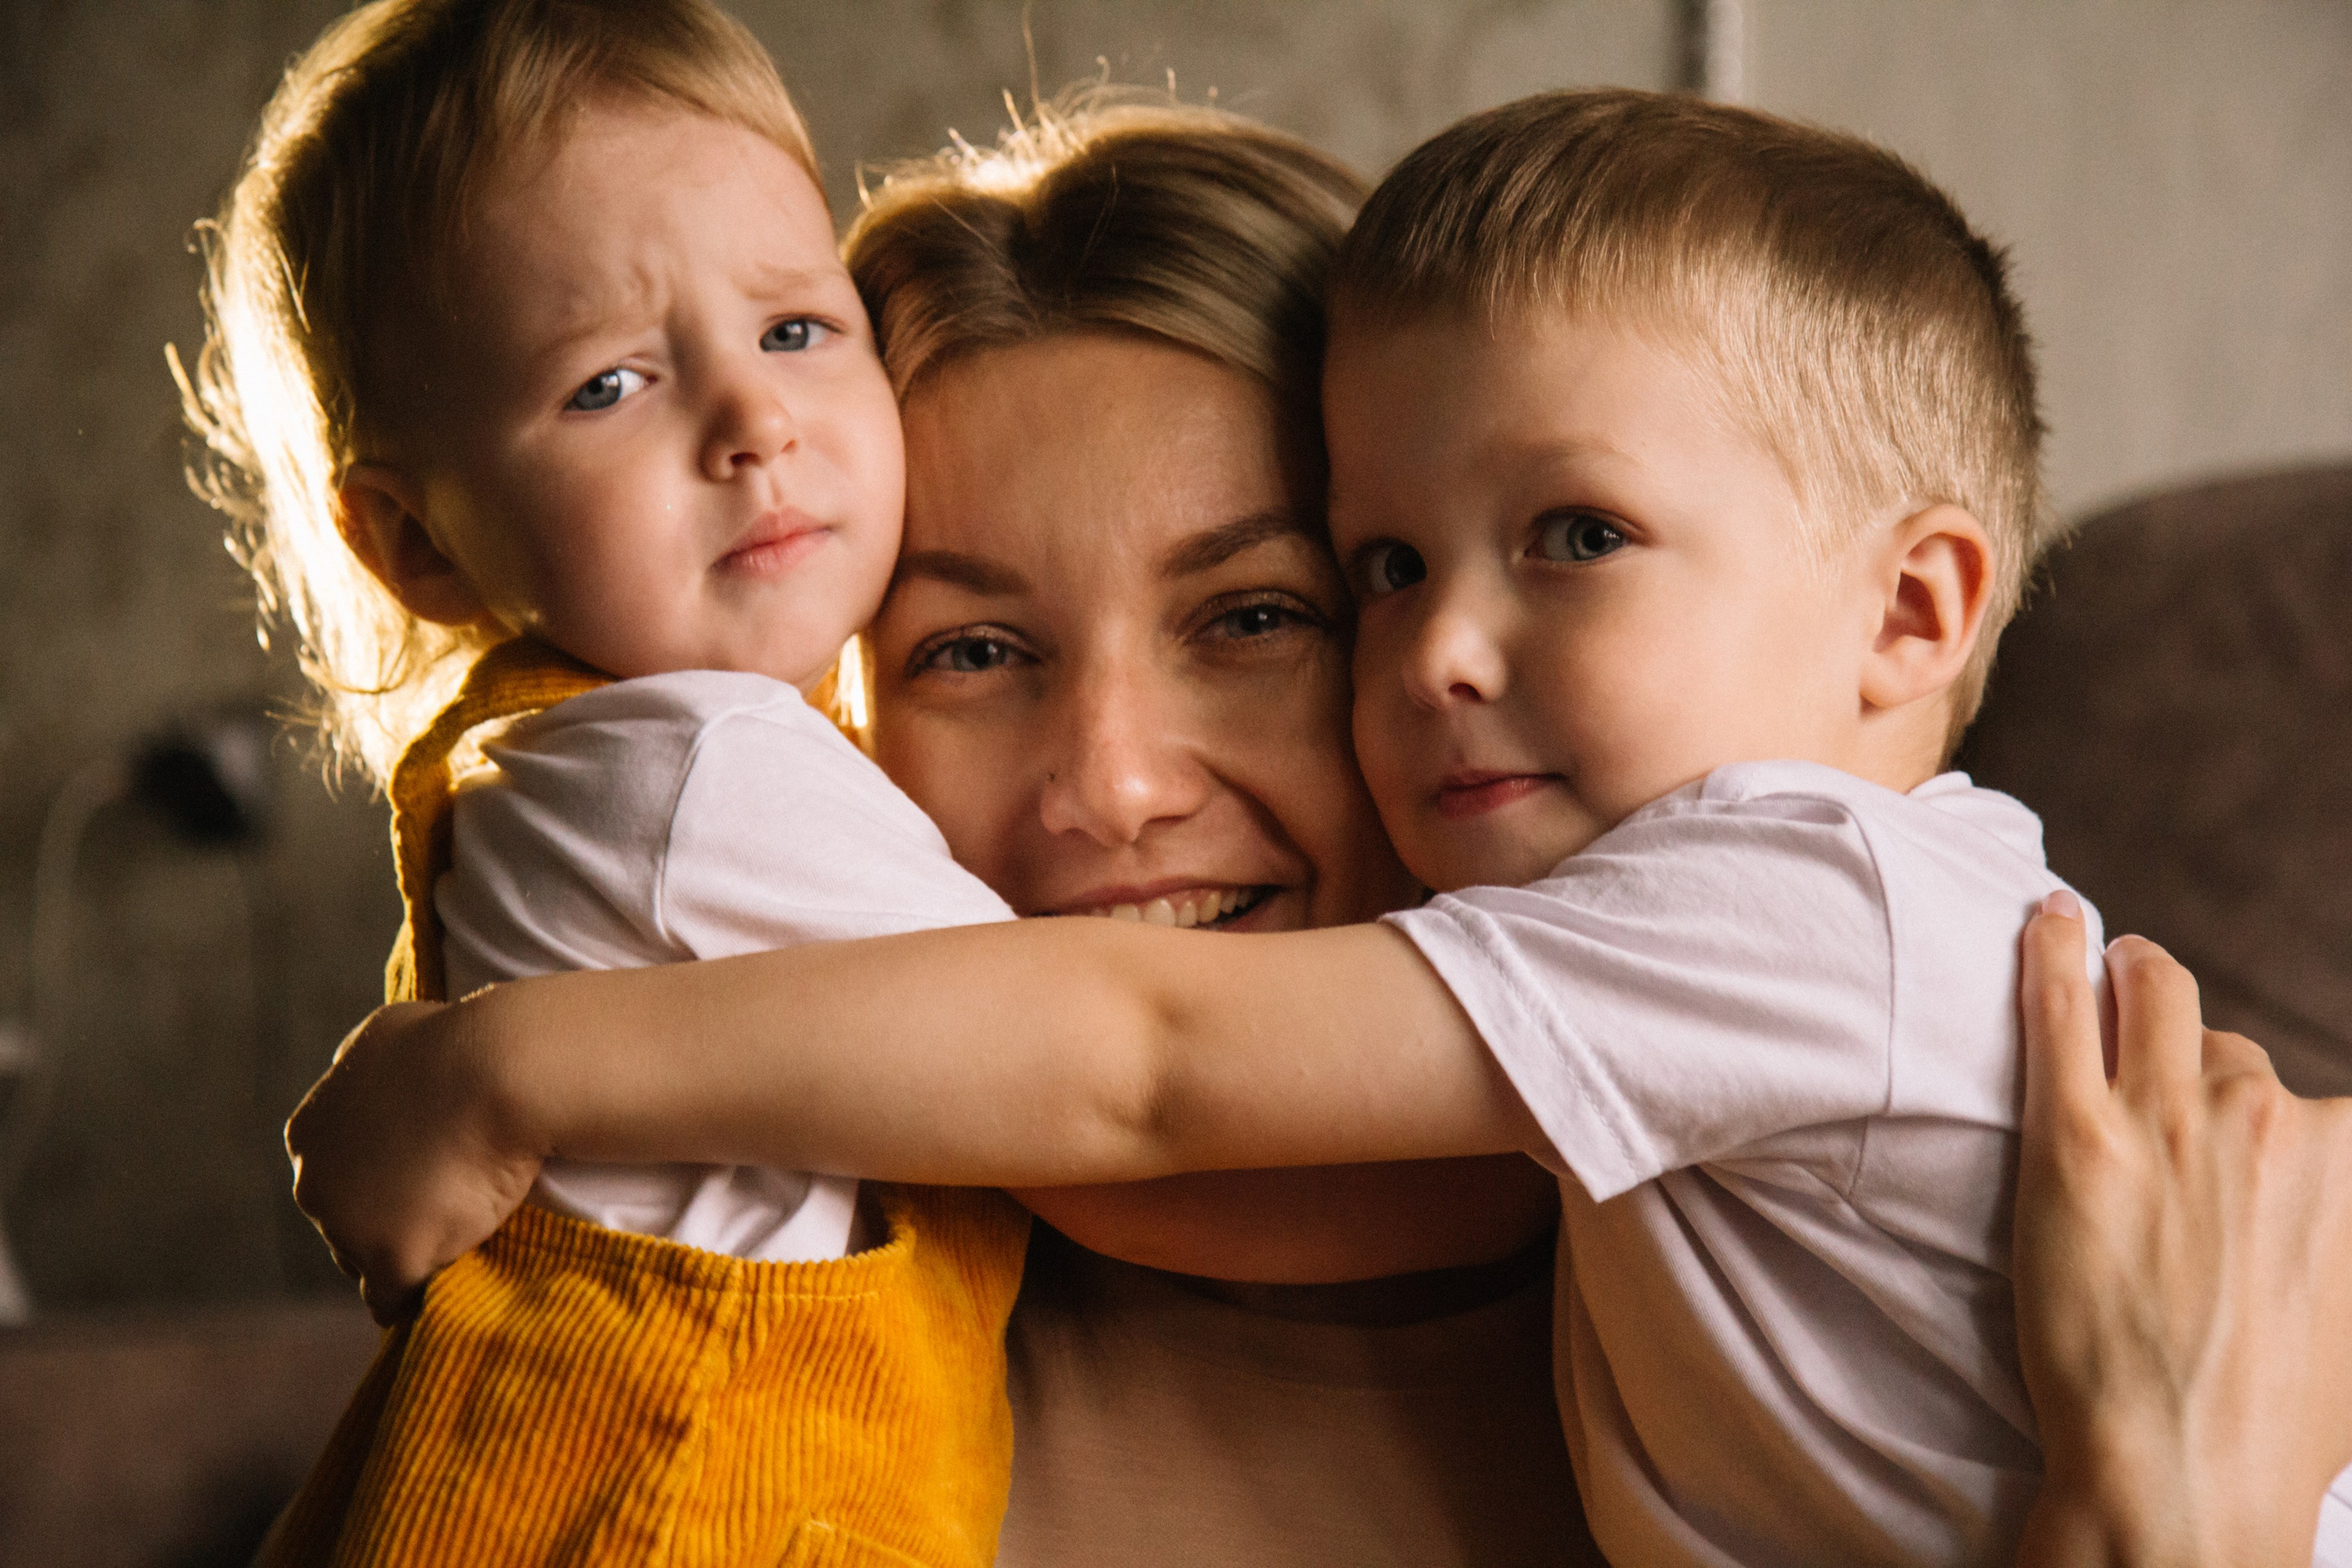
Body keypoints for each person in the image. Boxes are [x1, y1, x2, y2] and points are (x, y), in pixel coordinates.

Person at [282, 90, 2352, 1564]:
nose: (1111, 780)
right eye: (977, 648)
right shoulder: (760, 1350)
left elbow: (1145, 1057)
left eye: (1258, 611)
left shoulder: (2050, 1193)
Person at [181, 2, 1030, 1562]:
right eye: (608, 387)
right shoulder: (692, 771)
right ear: (418, 541)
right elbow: (1101, 1054)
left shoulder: (550, 756)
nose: (754, 423)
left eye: (794, 328)